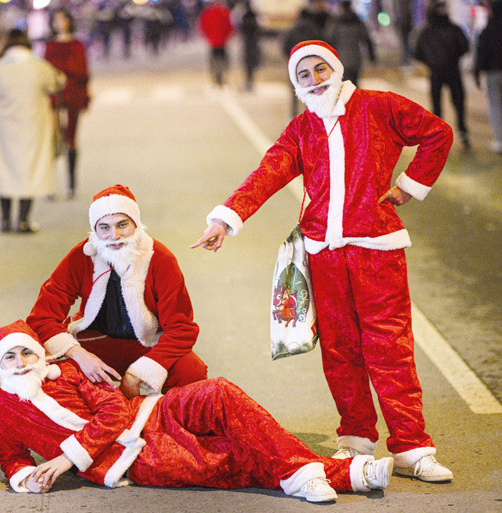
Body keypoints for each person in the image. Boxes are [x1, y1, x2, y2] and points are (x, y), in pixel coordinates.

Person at [192, 40, 454, 483]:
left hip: (377, 249)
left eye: (320, 69)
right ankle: (355, 440)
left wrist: (409, 185)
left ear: (336, 67)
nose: (315, 80)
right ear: (296, 83)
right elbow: (268, 174)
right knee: (339, 351)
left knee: (389, 349)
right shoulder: (301, 129)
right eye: (304, 75)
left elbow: (437, 134)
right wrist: (225, 219)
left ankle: (412, 447)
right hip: (323, 254)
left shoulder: (379, 106)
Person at [0, 320, 395, 502]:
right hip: (132, 458)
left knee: (219, 393)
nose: (21, 362)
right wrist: (26, 479)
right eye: (11, 357)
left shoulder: (69, 371)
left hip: (152, 413)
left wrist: (65, 457)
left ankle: (304, 473)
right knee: (230, 456)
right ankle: (345, 474)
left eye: (27, 352)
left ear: (40, 354)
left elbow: (112, 410)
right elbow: (11, 457)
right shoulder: (0, 410)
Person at [27, 184, 208, 400]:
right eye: (104, 227)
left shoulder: (160, 258)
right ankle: (86, 428)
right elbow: (41, 318)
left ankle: (170, 425)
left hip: (148, 343)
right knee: (52, 376)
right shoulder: (81, 256)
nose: (115, 235)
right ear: (95, 230)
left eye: (122, 225)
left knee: (191, 372)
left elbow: (181, 328)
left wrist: (136, 374)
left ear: (136, 224)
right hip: (97, 342)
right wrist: (81, 356)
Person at [0, 29, 65, 234]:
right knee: (29, 170)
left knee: (5, 171)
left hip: (5, 127)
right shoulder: (39, 66)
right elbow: (56, 83)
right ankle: (23, 220)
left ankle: (4, 220)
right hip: (33, 127)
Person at [45, 8, 90, 199]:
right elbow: (46, 70)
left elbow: (82, 71)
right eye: (56, 19)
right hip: (54, 98)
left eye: (63, 19)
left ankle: (71, 185)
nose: (60, 23)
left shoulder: (77, 45)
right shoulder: (50, 45)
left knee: (71, 138)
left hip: (72, 96)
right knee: (53, 140)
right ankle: (49, 186)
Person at [414, 0, 470, 149]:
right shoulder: (453, 29)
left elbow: (417, 53)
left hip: (437, 72)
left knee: (439, 104)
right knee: (455, 102)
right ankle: (459, 132)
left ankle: (440, 135)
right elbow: (465, 47)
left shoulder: (426, 31)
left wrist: (431, 62)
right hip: (451, 70)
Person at [473, 1, 502, 153]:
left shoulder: (487, 30)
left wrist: (477, 73)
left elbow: (481, 54)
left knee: (496, 106)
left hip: (492, 73)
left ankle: (499, 141)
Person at [324, 0, 375, 85]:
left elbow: (329, 40)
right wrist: (372, 57)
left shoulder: (336, 23)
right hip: (356, 58)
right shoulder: (357, 22)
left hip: (341, 58)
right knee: (354, 82)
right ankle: (355, 97)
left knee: (343, 84)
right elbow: (367, 39)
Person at [198, 0, 234, 87]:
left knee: (214, 58)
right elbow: (229, 26)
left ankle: (216, 76)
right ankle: (221, 76)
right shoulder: (224, 12)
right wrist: (227, 36)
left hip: (212, 41)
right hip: (222, 40)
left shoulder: (207, 13)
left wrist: (207, 36)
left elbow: (203, 26)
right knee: (222, 58)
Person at [239, 1, 261, 92]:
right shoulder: (254, 18)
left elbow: (241, 29)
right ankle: (250, 81)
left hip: (248, 44)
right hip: (253, 44)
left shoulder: (244, 18)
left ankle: (249, 81)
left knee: (248, 64)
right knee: (251, 64)